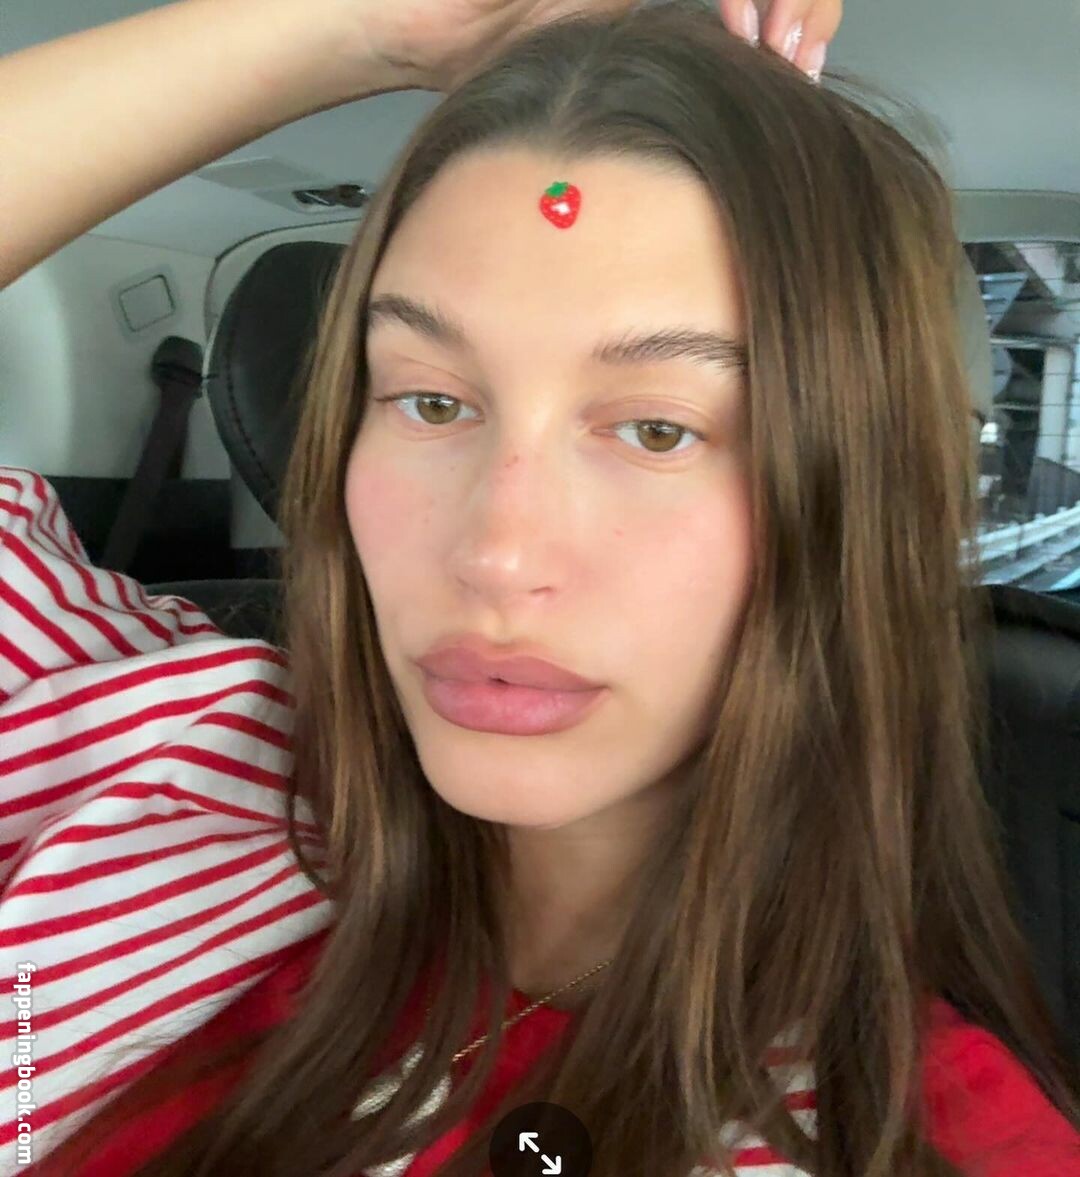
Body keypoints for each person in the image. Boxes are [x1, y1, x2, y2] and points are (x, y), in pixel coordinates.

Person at [2, 0, 1079, 1175]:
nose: (496, 554)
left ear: (858, 500)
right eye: (431, 401)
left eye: (659, 428)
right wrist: (360, 28)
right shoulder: (154, 743)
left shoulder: (926, 1139)